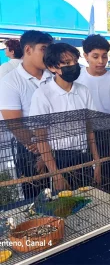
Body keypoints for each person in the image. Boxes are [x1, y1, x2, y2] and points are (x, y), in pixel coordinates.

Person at [29, 43, 101, 192]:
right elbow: (41, 138)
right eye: (67, 63)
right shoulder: (43, 94)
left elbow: (90, 130)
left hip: (83, 156)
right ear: (52, 67)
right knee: (63, 205)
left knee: (86, 199)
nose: (73, 65)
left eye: (75, 61)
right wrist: (56, 175)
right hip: (58, 159)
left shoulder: (83, 91)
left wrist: (97, 163)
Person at [0, 30, 53, 199]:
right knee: (37, 198)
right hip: (29, 149)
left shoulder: (54, 76)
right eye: (44, 49)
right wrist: (41, 151)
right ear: (28, 50)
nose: (48, 54)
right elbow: (14, 123)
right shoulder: (10, 82)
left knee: (65, 194)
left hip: (60, 143)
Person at [76, 34, 110, 194]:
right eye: (95, 56)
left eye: (104, 56)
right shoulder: (78, 78)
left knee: (108, 179)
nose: (101, 61)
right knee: (85, 180)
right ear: (86, 56)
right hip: (83, 136)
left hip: (108, 135)